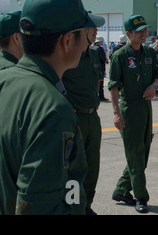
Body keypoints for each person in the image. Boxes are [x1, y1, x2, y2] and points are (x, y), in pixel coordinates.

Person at [0, 0, 103, 214]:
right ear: (67, 41)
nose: (86, 42)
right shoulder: (53, 108)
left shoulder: (6, 80)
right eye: (82, 33)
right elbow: (38, 206)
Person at [108, 14, 158, 213]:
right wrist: (116, 113)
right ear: (128, 33)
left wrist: (155, 86)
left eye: (145, 30)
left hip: (146, 107)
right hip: (129, 108)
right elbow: (113, 87)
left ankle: (121, 189)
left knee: (143, 152)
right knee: (135, 154)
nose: (144, 34)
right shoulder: (120, 56)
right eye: (139, 31)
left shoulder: (148, 52)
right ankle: (141, 196)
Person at [62, 19, 105, 215]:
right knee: (72, 167)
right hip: (74, 118)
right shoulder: (69, 54)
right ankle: (72, 206)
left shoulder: (95, 53)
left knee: (92, 165)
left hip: (92, 117)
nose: (96, 31)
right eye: (92, 28)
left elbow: (96, 82)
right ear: (82, 30)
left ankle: (86, 206)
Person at [92, 36, 109, 101]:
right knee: (101, 83)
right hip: (100, 68)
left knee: (95, 83)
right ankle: (101, 96)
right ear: (100, 41)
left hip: (94, 68)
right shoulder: (100, 49)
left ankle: (95, 96)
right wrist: (106, 60)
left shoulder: (93, 48)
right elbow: (102, 58)